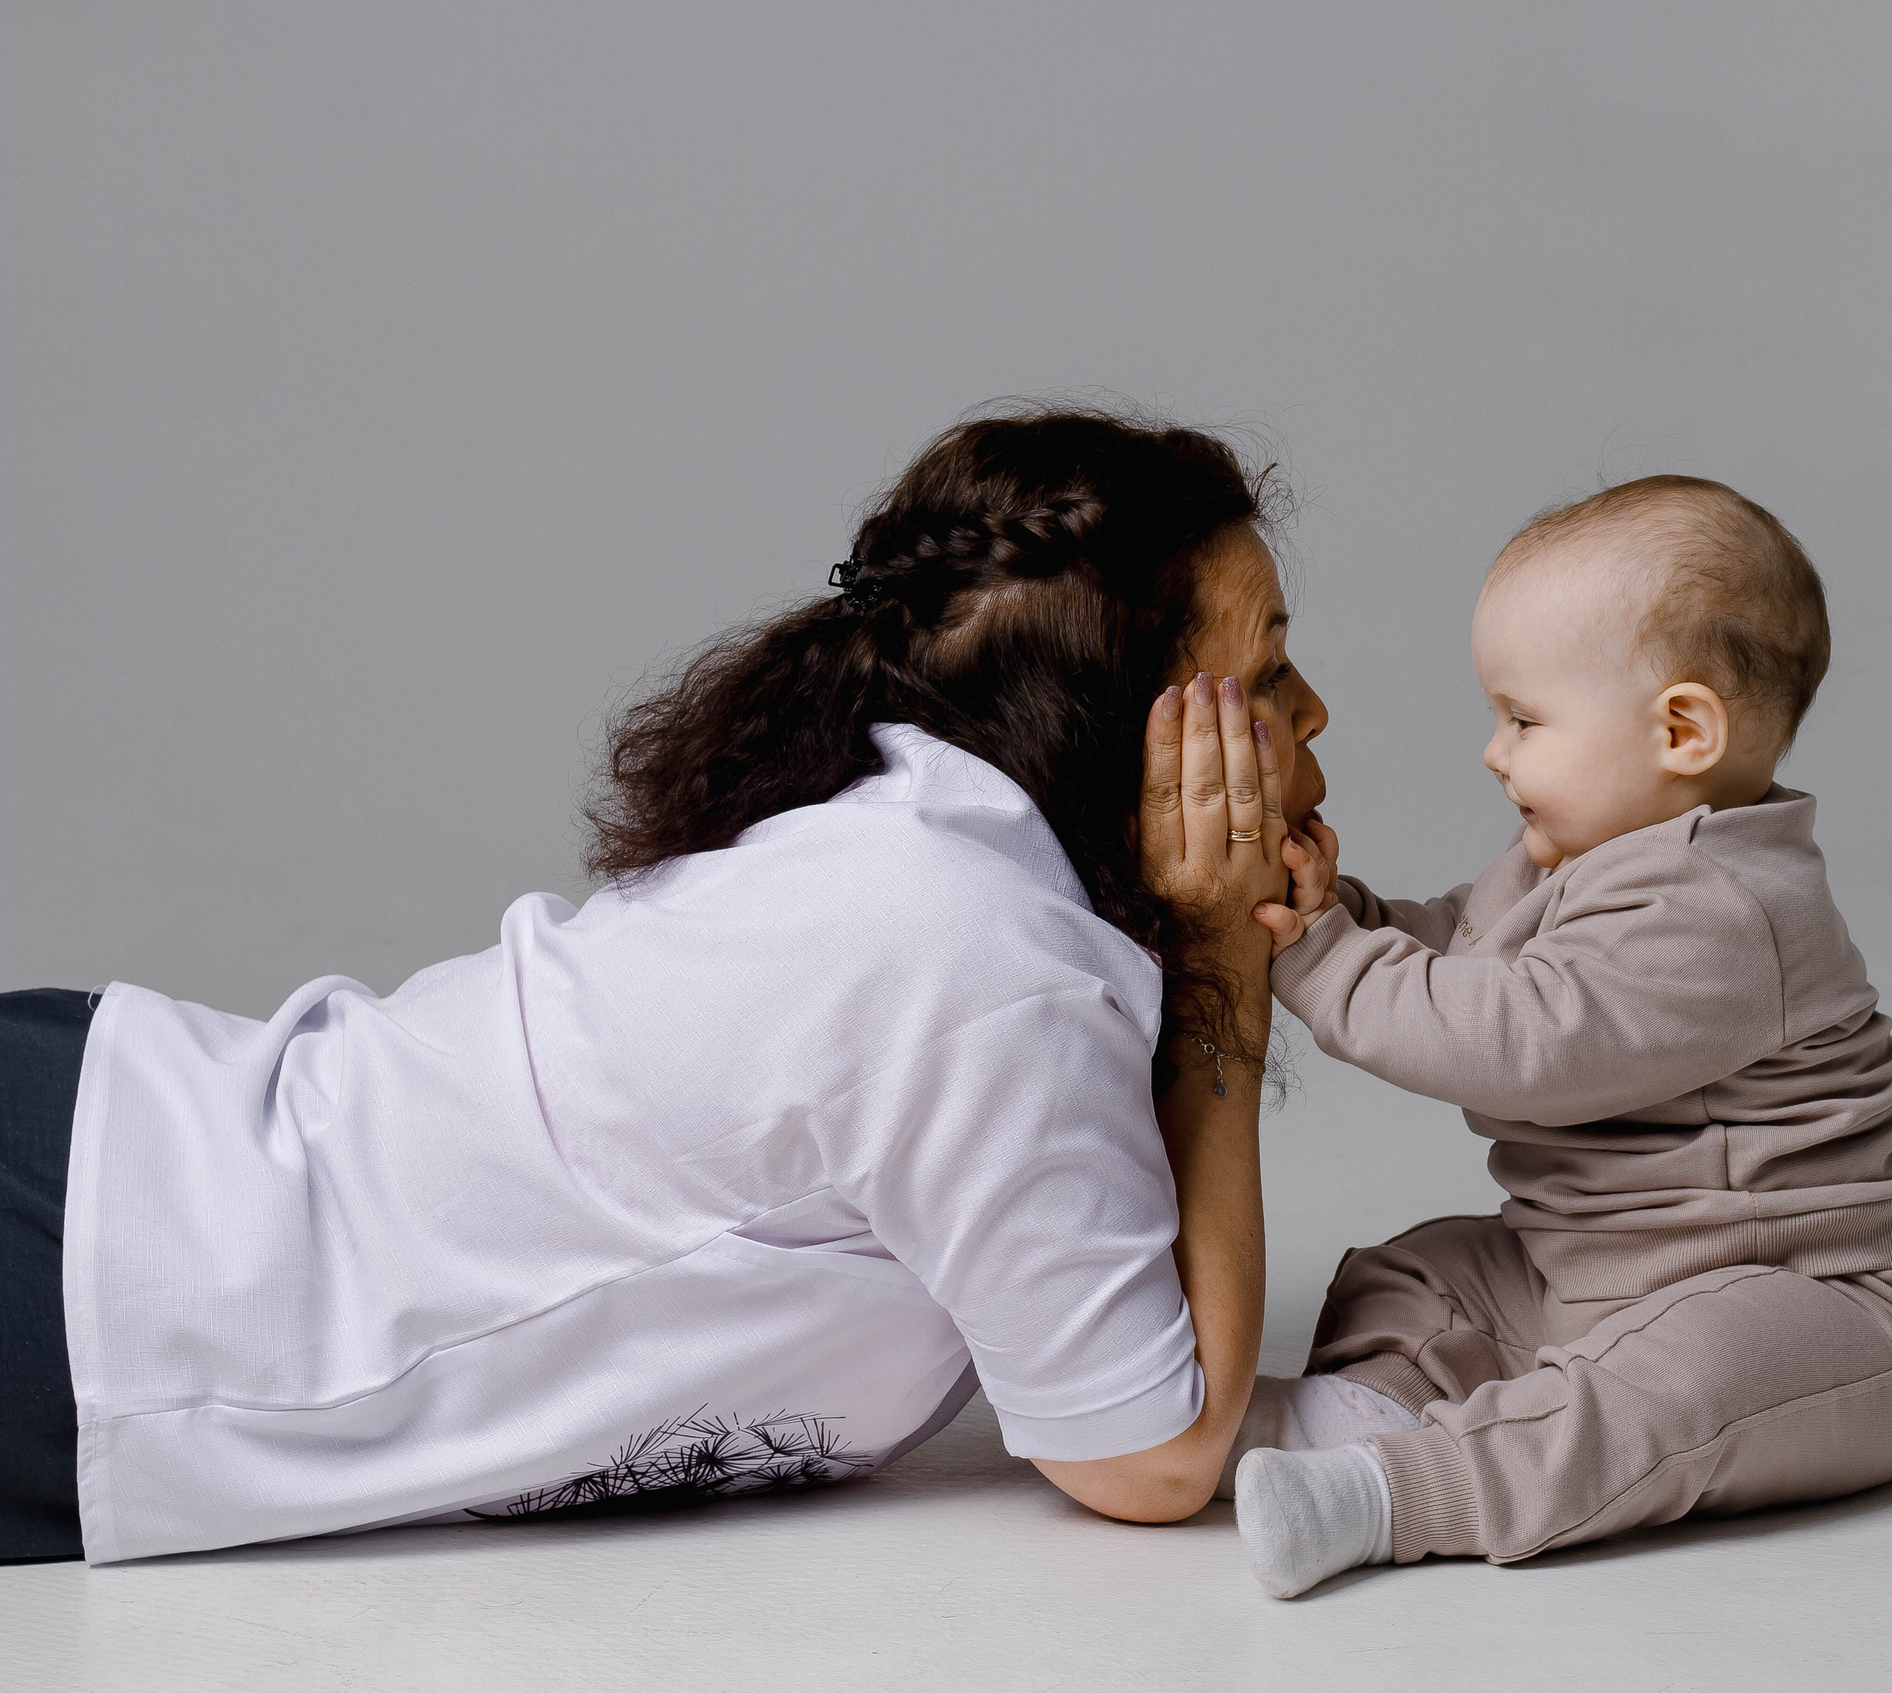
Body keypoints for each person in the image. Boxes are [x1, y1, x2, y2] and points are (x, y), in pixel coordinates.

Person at [0, 407, 1335, 1565]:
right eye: (1268, 669)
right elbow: (1150, 1452)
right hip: (85, 1278)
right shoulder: (982, 959)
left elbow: (1096, 1291)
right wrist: (1225, 958)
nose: (1316, 708)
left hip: (101, 1197)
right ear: (1114, 722)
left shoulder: (944, 868)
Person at [1222, 476, 1892, 1596]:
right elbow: (1465, 956)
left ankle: (1395, 1496)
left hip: (1817, 1301)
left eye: (1522, 718)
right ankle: (1343, 1416)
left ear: (1680, 730)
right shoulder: (1576, 861)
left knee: (1679, 1383)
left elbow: (1516, 1039)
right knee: (1417, 1272)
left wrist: (1318, 954)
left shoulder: (1726, 905)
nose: (1491, 749)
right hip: (1580, 1272)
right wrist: (1345, 912)